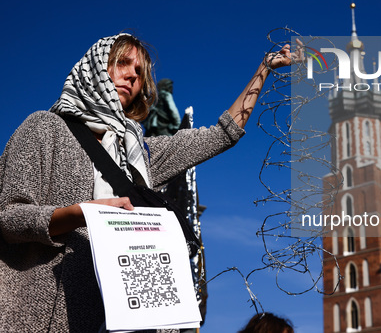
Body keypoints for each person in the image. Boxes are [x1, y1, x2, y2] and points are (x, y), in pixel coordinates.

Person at [0, 33, 297, 332]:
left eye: (140, 72)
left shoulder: (139, 153)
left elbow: (222, 134)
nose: (131, 75)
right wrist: (81, 213)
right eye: (122, 63)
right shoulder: (44, 128)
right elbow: (8, 216)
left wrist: (264, 69)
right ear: (94, 68)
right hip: (45, 316)